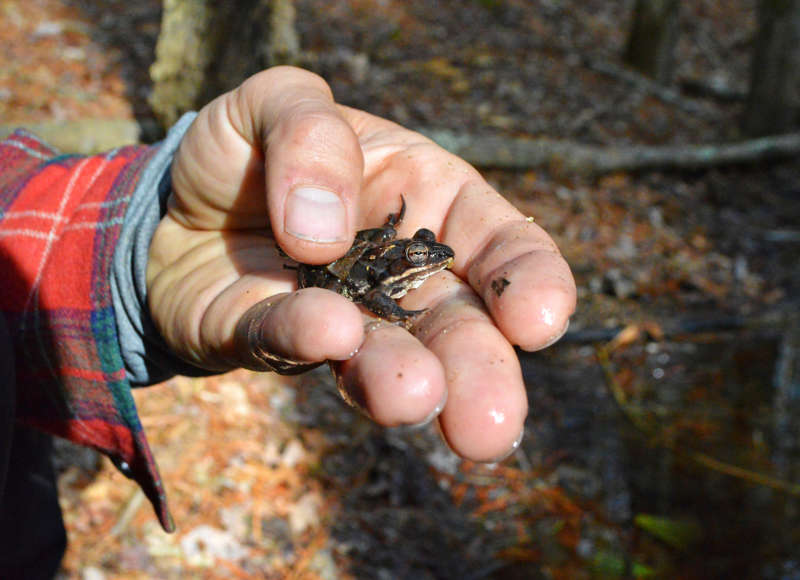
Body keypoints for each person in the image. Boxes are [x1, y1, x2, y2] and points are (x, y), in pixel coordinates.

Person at [0, 67, 575, 577]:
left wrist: (143, 230)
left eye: (423, 250)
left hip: (24, 542)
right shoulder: (396, 279)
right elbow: (372, 292)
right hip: (346, 281)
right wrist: (401, 309)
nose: (429, 255)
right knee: (341, 303)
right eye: (423, 255)